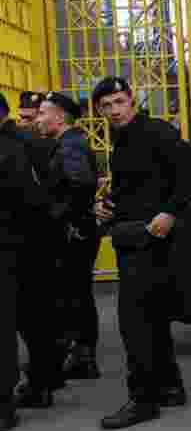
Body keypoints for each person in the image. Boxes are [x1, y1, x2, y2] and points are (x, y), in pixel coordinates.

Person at [91, 76, 191, 430]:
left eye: (119, 102)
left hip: (154, 241)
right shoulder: (120, 141)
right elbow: (133, 189)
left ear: (132, 101)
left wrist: (170, 212)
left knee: (135, 323)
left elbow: (190, 173)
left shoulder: (156, 132)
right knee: (151, 319)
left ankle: (143, 399)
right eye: (106, 106)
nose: (114, 111)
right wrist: (108, 206)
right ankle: (169, 386)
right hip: (134, 238)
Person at [35, 92, 102, 380]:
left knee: (74, 293)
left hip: (73, 231)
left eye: (42, 113)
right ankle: (81, 355)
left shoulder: (71, 144)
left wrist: (63, 217)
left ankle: (82, 356)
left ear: (59, 117)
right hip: (76, 227)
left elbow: (81, 184)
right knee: (76, 291)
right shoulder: (66, 142)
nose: (39, 119)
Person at [0, 95, 51, 431]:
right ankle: (42, 382)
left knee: (9, 322)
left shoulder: (10, 148)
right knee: (32, 316)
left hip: (11, 243)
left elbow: (27, 197)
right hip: (29, 243)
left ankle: (6, 404)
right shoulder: (29, 141)